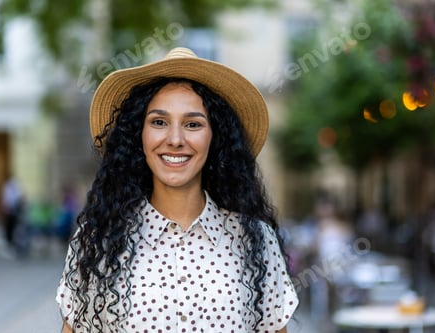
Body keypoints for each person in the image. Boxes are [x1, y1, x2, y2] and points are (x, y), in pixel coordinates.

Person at [56, 47, 299, 332]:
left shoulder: (255, 239)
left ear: (215, 137)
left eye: (193, 124)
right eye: (159, 122)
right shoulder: (98, 240)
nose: (175, 139)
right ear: (139, 135)